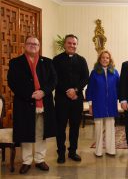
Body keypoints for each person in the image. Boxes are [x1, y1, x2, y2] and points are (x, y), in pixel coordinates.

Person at [7, 36, 57, 174]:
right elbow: (12, 82)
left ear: (39, 46)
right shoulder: (15, 62)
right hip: (24, 103)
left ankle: (40, 160)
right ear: (25, 46)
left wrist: (43, 92)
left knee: (41, 132)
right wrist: (30, 94)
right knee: (26, 132)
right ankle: (26, 161)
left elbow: (53, 80)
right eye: (30, 43)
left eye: (35, 44)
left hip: (44, 102)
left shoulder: (47, 62)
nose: (33, 45)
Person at [53, 34, 89, 163]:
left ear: (76, 45)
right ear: (64, 44)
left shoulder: (82, 60)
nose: (72, 46)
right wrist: (67, 91)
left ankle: (72, 151)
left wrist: (76, 90)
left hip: (76, 99)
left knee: (75, 127)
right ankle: (61, 153)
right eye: (69, 43)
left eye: (74, 44)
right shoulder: (56, 60)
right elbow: (54, 79)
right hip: (61, 99)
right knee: (60, 127)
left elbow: (85, 77)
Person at [86, 50, 119, 157]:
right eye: (103, 58)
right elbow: (89, 89)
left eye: (107, 58)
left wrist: (119, 100)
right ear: (99, 60)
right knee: (99, 128)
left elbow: (119, 88)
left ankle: (110, 150)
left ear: (110, 60)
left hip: (111, 104)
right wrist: (90, 105)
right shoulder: (94, 72)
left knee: (110, 128)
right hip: (98, 103)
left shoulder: (115, 72)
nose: (105, 59)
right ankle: (98, 151)